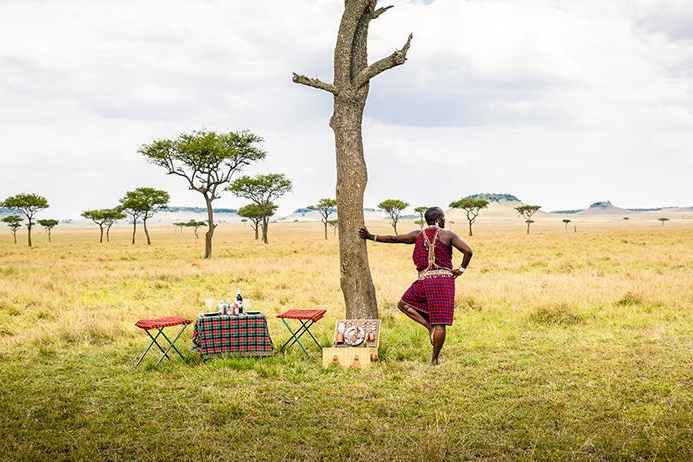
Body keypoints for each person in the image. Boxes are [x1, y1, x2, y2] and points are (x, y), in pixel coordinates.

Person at [358, 207, 473, 365]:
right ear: (438, 219)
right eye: (443, 217)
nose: (445, 220)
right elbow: (468, 251)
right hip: (445, 281)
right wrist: (460, 269)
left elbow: (394, 238)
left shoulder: (417, 235)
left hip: (425, 280)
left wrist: (371, 237)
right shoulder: (448, 235)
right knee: (440, 322)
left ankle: (429, 327)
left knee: (403, 304)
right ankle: (434, 359)